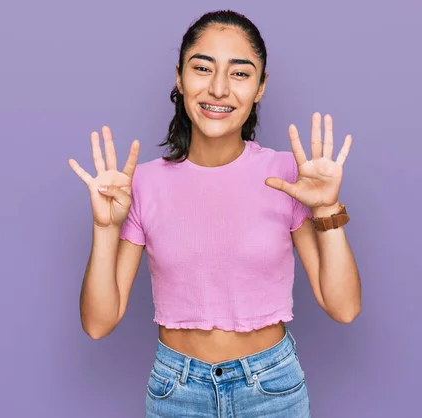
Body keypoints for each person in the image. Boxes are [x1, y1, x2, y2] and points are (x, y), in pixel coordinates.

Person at [68, 9, 361, 417]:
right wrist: (104, 228)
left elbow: (343, 307)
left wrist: (327, 207)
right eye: (203, 68)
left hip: (271, 390)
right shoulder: (141, 184)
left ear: (260, 87)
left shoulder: (288, 177)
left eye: (240, 73)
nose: (219, 88)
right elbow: (98, 324)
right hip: (177, 392)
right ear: (180, 77)